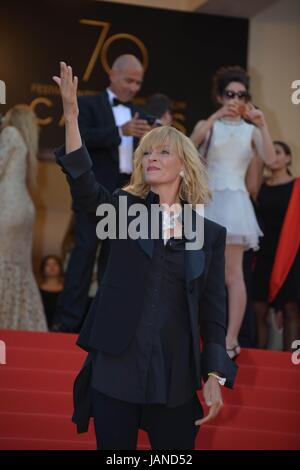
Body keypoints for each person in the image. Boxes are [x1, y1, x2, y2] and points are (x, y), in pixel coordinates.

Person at [52, 62, 237, 450]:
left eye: (163, 152)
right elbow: (86, 188)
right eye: (147, 151)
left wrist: (215, 375)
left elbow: (213, 313)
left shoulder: (209, 235)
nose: (151, 156)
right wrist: (72, 118)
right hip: (116, 368)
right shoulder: (123, 210)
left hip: (175, 376)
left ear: (184, 168)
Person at [54, 54, 151, 333]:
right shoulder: (87, 104)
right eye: (129, 80)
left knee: (115, 262)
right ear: (113, 74)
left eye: (138, 82)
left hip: (129, 197)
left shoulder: (140, 115)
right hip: (93, 191)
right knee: (84, 253)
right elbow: (78, 141)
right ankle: (67, 321)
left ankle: (105, 323)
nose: (133, 87)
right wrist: (119, 132)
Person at [190, 66, 276, 359]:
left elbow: (271, 159)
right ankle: (193, 333)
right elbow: (188, 147)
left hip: (236, 202)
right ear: (219, 95)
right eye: (230, 94)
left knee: (233, 275)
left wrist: (263, 124)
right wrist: (215, 116)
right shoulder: (208, 124)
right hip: (208, 201)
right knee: (196, 269)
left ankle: (230, 338)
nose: (235, 99)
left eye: (241, 94)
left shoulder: (252, 130)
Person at [0, 105, 47, 331]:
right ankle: (19, 324)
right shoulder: (26, 143)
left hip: (7, 208)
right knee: (18, 268)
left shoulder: (9, 134)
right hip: (24, 209)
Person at [252, 141, 300, 351]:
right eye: (270, 152)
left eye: (279, 152)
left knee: (291, 309)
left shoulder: (297, 186)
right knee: (257, 308)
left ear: (288, 158)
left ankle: (290, 364)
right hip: (262, 253)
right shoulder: (259, 185)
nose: (274, 156)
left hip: (291, 255)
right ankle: (258, 358)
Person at [39, 255, 64, 329]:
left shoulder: (67, 292)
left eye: (55, 264)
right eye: (48, 265)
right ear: (42, 269)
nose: (52, 267)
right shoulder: (37, 292)